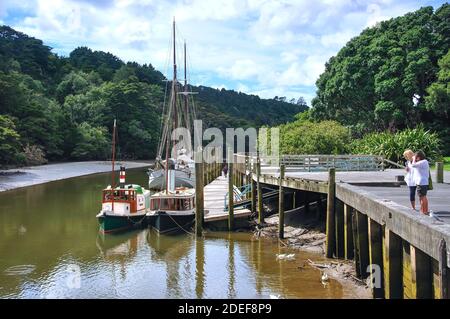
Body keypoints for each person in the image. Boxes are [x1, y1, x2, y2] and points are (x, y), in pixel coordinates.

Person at [411, 150, 430, 215]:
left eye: (416, 157)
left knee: (422, 197)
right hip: (423, 182)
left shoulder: (423, 162)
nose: (415, 159)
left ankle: (423, 211)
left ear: (419, 157)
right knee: (423, 197)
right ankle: (425, 210)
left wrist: (413, 158)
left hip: (421, 182)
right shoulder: (424, 162)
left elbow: (413, 165)